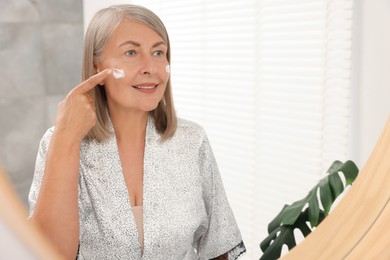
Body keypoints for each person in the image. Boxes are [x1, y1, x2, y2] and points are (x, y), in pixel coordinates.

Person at [28, 4, 246, 260]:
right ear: (97, 65)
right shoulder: (61, 142)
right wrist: (66, 137)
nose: (150, 68)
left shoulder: (192, 140)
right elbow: (47, 253)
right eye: (131, 52)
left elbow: (219, 247)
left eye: (158, 52)